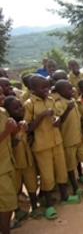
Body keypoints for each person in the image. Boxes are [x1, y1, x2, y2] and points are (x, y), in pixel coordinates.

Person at [23, 75, 81, 220]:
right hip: (42, 146)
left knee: (61, 170)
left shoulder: (50, 100)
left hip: (57, 141)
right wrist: (42, 116)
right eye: (42, 87)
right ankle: (49, 204)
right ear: (32, 89)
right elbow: (27, 128)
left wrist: (57, 119)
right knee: (47, 176)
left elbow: (58, 118)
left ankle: (65, 196)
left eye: (47, 87)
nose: (46, 90)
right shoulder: (29, 104)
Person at [3, 96, 42, 220]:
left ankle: (35, 207)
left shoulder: (24, 122)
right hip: (15, 164)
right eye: (15, 108)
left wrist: (29, 134)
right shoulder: (7, 125)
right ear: (8, 111)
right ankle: (17, 210)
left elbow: (30, 134)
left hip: (28, 161)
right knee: (15, 188)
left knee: (32, 185)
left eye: (20, 107)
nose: (20, 110)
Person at [0, 87, 21, 234]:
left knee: (6, 201)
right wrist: (7, 131)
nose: (3, 96)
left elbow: (11, 136)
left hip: (8, 163)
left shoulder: (2, 112)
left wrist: (18, 128)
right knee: (8, 202)